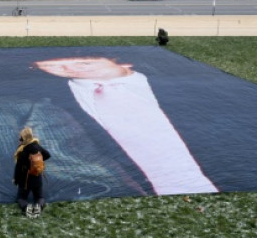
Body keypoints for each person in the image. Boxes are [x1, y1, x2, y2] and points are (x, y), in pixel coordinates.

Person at [33, 56, 217, 195]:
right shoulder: (45, 102)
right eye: (52, 66)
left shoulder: (186, 87)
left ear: (124, 63)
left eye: (84, 63)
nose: (67, 68)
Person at [13, 126, 51, 217]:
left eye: (21, 138)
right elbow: (48, 155)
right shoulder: (37, 146)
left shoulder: (22, 152)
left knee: (21, 197)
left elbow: (18, 169)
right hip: (37, 178)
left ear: (23, 138)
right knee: (39, 197)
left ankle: (26, 207)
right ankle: (39, 206)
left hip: (25, 181)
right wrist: (40, 161)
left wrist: (16, 180)